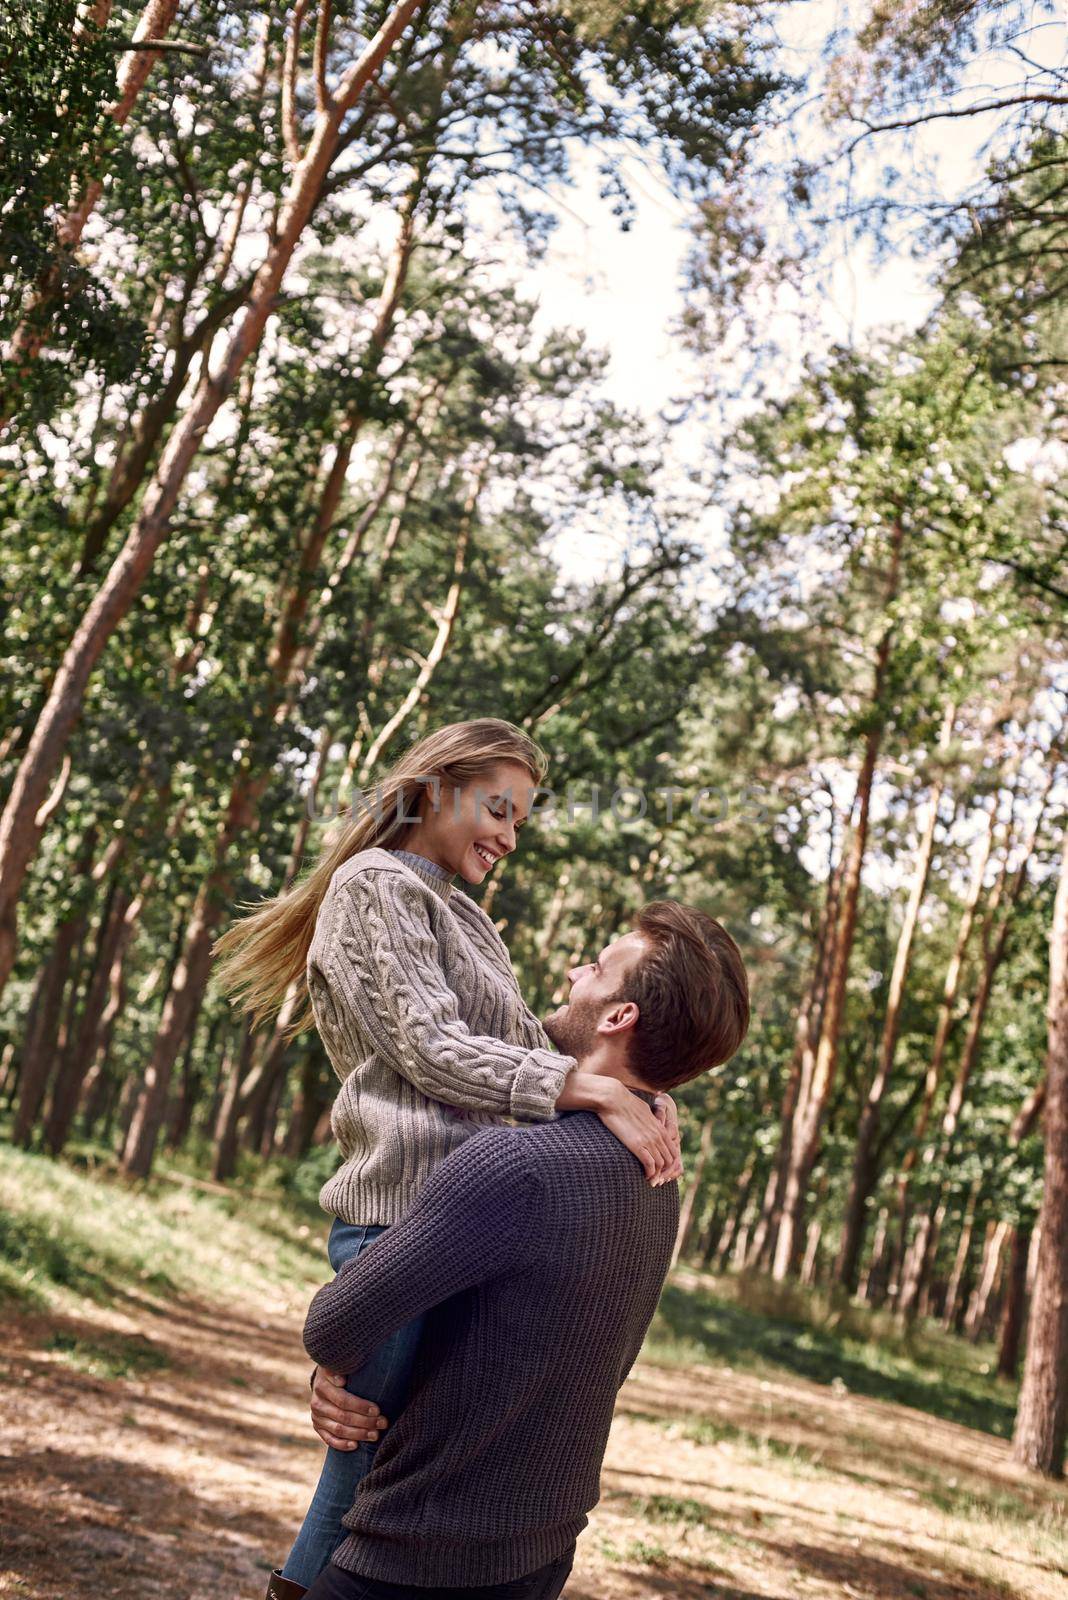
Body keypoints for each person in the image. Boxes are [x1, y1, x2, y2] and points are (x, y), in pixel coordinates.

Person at [211, 719, 682, 1596]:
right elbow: (430, 1046)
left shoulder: (462, 911)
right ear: (433, 790)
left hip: (463, 1230)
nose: (507, 835)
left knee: (397, 1474)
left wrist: (644, 1090)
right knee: (361, 1483)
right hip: (398, 1225)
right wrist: (595, 1091)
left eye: (519, 821)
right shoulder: (375, 885)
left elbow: (523, 1044)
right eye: (496, 809)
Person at [296, 900, 751, 1600]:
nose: (575, 971)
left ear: (617, 1017)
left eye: (597, 968)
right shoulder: (656, 1174)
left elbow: (334, 1324)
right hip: (536, 1556)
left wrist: (337, 1372)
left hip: (418, 1556)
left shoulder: (517, 1166)